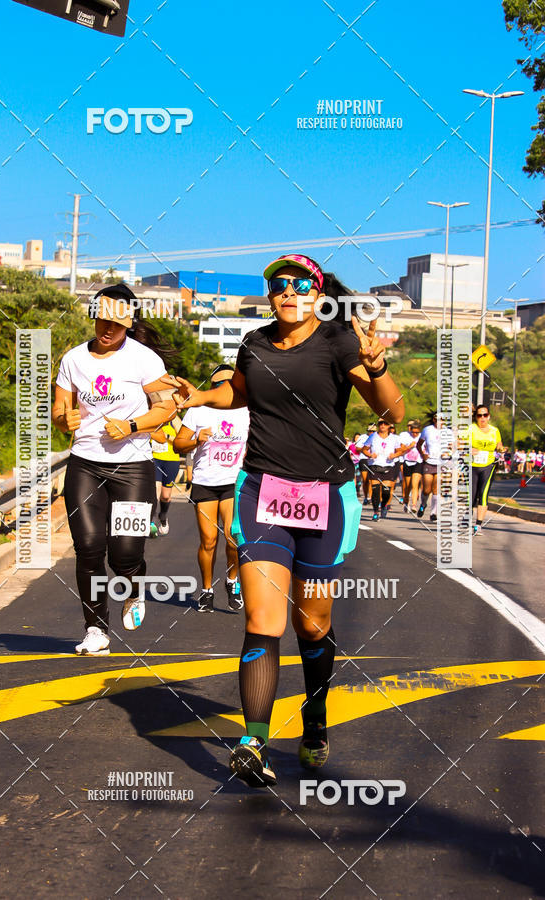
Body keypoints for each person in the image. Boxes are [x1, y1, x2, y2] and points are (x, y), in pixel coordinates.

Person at [169, 255, 404, 787]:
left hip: (324, 496)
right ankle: (254, 741)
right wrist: (202, 395)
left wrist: (378, 367)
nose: (288, 292)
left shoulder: (339, 342)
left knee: (312, 626)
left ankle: (315, 720)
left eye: (300, 285)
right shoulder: (253, 342)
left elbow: (392, 415)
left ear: (317, 293)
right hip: (262, 492)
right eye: (279, 285)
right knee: (264, 621)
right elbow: (242, 392)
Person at [52, 284, 177, 655]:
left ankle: (134, 588)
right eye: (103, 321)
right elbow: (59, 411)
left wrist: (133, 425)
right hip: (85, 464)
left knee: (124, 553)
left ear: (129, 323)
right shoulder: (73, 359)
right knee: (88, 547)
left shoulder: (144, 360)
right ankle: (95, 629)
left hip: (133, 467)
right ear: (95, 317)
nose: (108, 330)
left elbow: (167, 408)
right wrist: (64, 419)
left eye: (117, 324)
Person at [173, 364, 249, 613]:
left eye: (228, 385)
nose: (223, 388)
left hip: (232, 482)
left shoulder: (247, 411)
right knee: (208, 540)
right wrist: (196, 440)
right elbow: (178, 444)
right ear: (213, 387)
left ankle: (232, 581)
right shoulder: (199, 410)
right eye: (219, 385)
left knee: (232, 538)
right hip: (205, 482)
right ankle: (207, 589)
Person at [470, 405, 504, 534]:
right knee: (472, 495)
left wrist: (501, 448)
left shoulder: (495, 430)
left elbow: (499, 444)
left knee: (483, 494)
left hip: (488, 465)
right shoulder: (471, 429)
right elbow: (458, 443)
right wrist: (469, 449)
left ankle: (478, 524)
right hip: (473, 466)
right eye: (479, 415)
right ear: (476, 417)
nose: (482, 418)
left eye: (485, 415)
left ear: (488, 416)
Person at [361, 419, 403, 520]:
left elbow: (400, 451)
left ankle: (384, 505)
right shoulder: (373, 436)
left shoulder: (394, 438)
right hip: (374, 466)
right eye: (381, 423)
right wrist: (370, 455)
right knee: (375, 491)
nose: (383, 425)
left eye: (385, 423)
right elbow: (364, 449)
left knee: (386, 492)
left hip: (388, 466)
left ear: (389, 426)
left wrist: (394, 455)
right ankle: (375, 512)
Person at [152, 411, 184, 535]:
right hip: (154, 458)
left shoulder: (174, 419)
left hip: (171, 460)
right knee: (155, 491)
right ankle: (151, 520)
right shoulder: (151, 416)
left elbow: (182, 439)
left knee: (165, 496)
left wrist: (166, 436)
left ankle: (163, 516)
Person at [417, 412, 443, 522]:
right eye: (437, 419)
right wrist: (423, 454)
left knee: (436, 489)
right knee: (427, 489)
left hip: (441, 463)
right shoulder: (427, 430)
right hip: (429, 462)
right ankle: (423, 504)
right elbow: (419, 444)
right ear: (434, 420)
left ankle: (433, 513)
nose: (439, 422)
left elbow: (453, 446)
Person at [398, 420, 422, 512]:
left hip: (418, 462)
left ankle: (414, 505)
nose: (415, 434)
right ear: (410, 430)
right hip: (407, 462)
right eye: (413, 432)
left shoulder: (422, 437)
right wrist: (410, 446)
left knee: (414, 484)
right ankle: (406, 501)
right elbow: (401, 449)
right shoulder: (405, 436)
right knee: (407, 485)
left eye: (417, 432)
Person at [356, 423, 377, 504]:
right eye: (370, 431)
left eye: (373, 431)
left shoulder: (377, 437)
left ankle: (370, 497)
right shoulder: (363, 437)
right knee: (365, 480)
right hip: (364, 459)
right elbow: (357, 448)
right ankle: (366, 496)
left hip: (373, 460)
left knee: (372, 480)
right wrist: (365, 450)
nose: (371, 432)